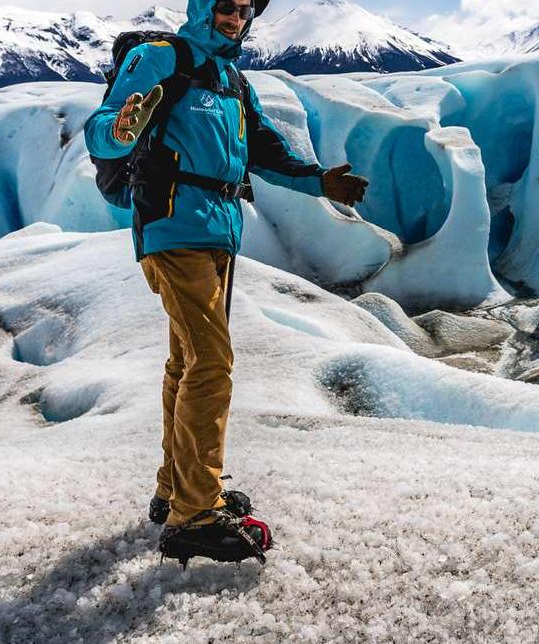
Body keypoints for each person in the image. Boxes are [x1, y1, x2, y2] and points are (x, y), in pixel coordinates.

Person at [84, 0, 369, 564]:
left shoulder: (231, 79)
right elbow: (104, 131)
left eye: (243, 9)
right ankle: (196, 511)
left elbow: (262, 147)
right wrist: (120, 129)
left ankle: (176, 488)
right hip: (171, 223)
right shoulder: (161, 57)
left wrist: (318, 182)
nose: (235, 17)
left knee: (188, 362)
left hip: (219, 230)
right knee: (212, 361)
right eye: (226, 7)